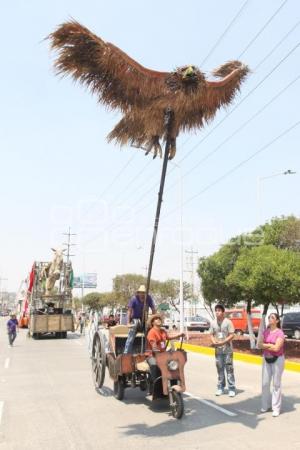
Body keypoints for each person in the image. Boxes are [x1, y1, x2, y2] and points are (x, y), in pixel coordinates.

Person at [258, 313, 285, 417]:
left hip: (278, 359)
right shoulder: (265, 332)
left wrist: (265, 345)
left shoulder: (280, 333)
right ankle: (265, 406)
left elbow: (277, 348)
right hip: (266, 359)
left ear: (277, 321)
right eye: (269, 317)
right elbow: (259, 344)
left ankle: (276, 408)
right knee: (265, 383)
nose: (270, 319)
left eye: (272, 317)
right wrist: (270, 345)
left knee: (276, 384)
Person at [146, 314, 185, 383]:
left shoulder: (163, 331)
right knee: (154, 365)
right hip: (152, 355)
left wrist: (179, 335)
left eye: (159, 318)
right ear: (152, 323)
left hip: (162, 354)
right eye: (156, 319)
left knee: (174, 364)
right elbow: (154, 347)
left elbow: (169, 337)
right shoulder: (151, 332)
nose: (158, 319)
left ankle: (174, 384)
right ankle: (154, 384)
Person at [210, 304, 236, 397]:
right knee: (219, 369)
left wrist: (223, 342)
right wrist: (214, 342)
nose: (217, 312)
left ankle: (232, 388)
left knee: (229, 369)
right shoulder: (213, 323)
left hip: (227, 350)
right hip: (218, 351)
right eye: (216, 310)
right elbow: (211, 334)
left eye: (219, 310)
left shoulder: (228, 322)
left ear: (223, 312)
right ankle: (220, 387)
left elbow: (232, 334)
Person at [124, 285, 156, 354]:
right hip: (135, 320)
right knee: (131, 337)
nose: (142, 294)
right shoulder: (134, 299)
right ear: (138, 293)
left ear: (145, 293)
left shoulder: (148, 298)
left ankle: (148, 352)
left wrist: (152, 321)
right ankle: (126, 354)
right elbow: (129, 311)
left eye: (143, 293)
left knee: (149, 335)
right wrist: (128, 323)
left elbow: (153, 309)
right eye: (140, 293)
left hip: (144, 320)